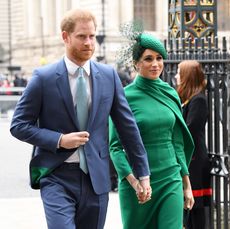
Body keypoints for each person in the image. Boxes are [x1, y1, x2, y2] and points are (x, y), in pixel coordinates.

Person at [10, 9, 151, 229]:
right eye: (82, 36)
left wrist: (143, 173)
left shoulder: (108, 76)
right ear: (65, 37)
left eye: (92, 36)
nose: (89, 43)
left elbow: (128, 128)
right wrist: (59, 140)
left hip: (97, 179)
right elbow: (18, 125)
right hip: (56, 176)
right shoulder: (43, 78)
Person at [109, 31, 195, 229]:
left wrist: (187, 184)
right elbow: (115, 147)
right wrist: (134, 182)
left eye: (159, 58)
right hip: (136, 181)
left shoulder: (170, 93)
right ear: (136, 63)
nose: (156, 64)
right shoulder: (124, 97)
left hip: (170, 177)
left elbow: (178, 143)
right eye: (148, 59)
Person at [175, 60, 212, 229]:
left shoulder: (199, 100)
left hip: (196, 160)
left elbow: (190, 129)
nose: (176, 76)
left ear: (187, 76)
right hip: (189, 158)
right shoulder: (188, 99)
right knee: (188, 208)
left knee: (195, 208)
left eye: (179, 73)